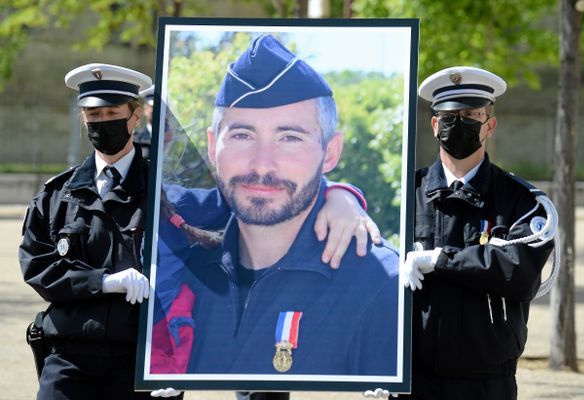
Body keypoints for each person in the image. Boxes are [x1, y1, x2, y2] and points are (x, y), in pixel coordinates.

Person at [19, 62, 379, 400]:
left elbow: (261, 197)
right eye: (93, 115)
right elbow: (37, 268)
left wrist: (339, 194)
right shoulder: (56, 195)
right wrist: (102, 281)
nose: (102, 123)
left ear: (134, 116)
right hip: (70, 354)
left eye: (112, 114)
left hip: (140, 359)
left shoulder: (170, 192)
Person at [153, 34, 399, 380]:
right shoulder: (186, 265)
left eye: (289, 138)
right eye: (242, 135)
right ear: (212, 146)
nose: (262, 165)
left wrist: (342, 194)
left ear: (330, 152)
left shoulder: (381, 285)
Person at [368, 66, 556, 400]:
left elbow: (519, 272)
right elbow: (371, 275)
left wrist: (442, 260)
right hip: (413, 381)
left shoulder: (521, 202)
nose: (459, 123)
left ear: (489, 125)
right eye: (449, 116)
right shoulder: (402, 196)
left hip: (486, 382)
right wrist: (375, 364)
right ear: (435, 125)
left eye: (471, 115)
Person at [133, 84, 154, 160]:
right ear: (145, 109)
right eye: (152, 106)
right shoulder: (136, 138)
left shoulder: (171, 137)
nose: (154, 110)